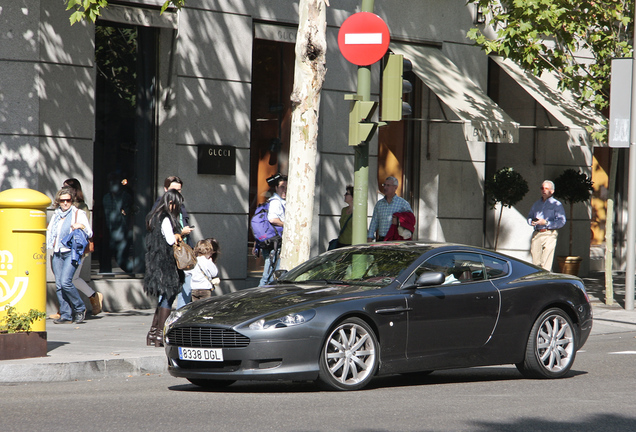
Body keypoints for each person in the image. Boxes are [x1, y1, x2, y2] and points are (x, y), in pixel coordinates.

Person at [144, 189, 185, 347]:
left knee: (163, 298)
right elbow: (169, 240)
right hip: (166, 264)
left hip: (155, 263)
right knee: (168, 296)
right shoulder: (166, 218)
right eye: (177, 204)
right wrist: (177, 235)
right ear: (171, 203)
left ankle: (153, 334)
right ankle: (160, 335)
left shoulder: (154, 216)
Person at [46, 187, 92, 324]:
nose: (65, 203)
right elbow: (50, 233)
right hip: (57, 252)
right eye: (62, 201)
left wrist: (81, 226)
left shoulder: (78, 214)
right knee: (59, 285)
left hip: (71, 253)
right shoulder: (56, 215)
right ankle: (66, 315)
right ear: (58, 202)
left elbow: (89, 233)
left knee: (66, 282)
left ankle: (79, 308)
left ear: (72, 201)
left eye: (68, 200)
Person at [154, 176, 195, 308]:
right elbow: (167, 237)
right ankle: (161, 324)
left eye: (179, 190)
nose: (177, 193)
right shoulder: (162, 208)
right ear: (166, 189)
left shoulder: (180, 205)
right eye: (173, 190)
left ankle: (177, 318)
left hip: (182, 251)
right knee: (167, 292)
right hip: (170, 254)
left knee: (186, 287)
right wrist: (181, 233)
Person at [527, 180, 567, 271]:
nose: (543, 190)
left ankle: (545, 282)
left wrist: (546, 223)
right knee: (535, 262)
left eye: (546, 188)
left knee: (546, 263)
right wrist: (531, 221)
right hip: (537, 233)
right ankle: (537, 282)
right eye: (542, 188)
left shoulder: (556, 204)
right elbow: (529, 216)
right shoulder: (536, 204)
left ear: (552, 191)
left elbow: (562, 221)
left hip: (549, 233)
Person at [259, 174, 287, 286]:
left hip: (272, 242)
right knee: (268, 276)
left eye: (286, 187)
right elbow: (272, 219)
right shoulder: (276, 201)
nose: (284, 190)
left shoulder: (275, 201)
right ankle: (257, 298)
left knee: (271, 274)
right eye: (282, 187)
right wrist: (287, 225)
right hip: (274, 243)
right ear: (276, 188)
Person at [367, 176, 413, 242]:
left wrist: (398, 220)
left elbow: (410, 220)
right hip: (381, 239)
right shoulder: (379, 204)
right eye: (384, 185)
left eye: (388, 185)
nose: (385, 187)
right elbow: (374, 221)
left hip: (396, 239)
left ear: (395, 187)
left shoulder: (403, 204)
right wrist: (370, 237)